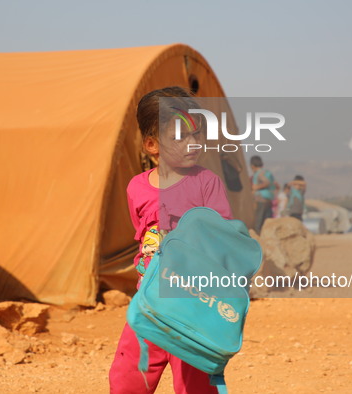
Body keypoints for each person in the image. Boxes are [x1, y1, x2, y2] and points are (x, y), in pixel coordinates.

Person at [109, 86, 232, 393]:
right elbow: (143, 235)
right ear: (152, 144)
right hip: (148, 304)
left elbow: (222, 237)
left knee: (195, 384)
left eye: (197, 134)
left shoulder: (206, 183)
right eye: (180, 136)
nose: (193, 143)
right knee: (127, 380)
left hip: (192, 307)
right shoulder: (136, 188)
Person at [250, 156, 275, 233]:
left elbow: (266, 182)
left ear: (252, 165)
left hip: (261, 199)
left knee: (259, 221)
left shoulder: (260, 173)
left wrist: (256, 187)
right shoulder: (267, 172)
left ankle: (258, 238)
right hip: (268, 198)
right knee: (267, 220)